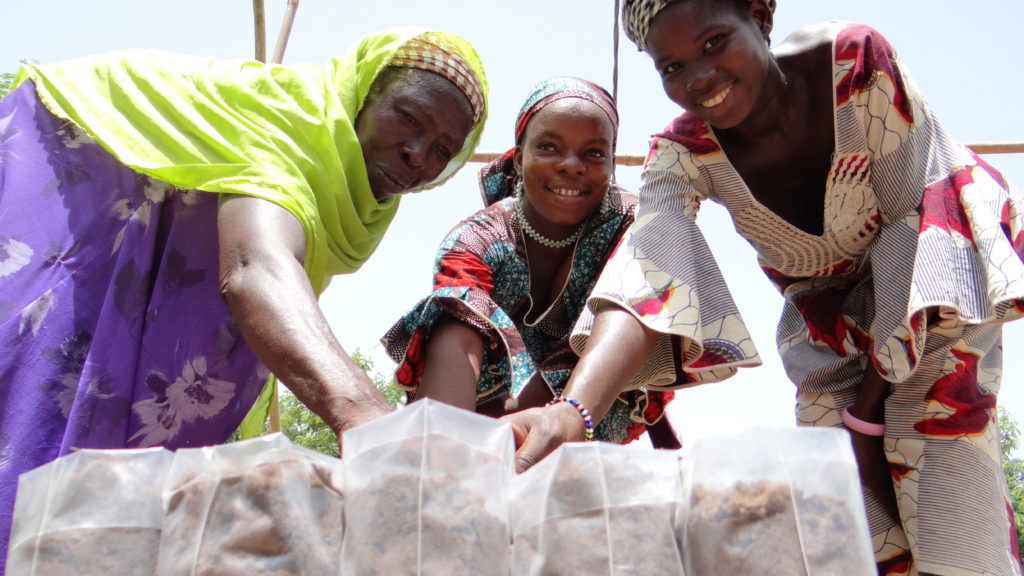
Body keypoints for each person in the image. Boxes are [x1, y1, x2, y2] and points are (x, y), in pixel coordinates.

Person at [505, 1, 1024, 574]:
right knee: (854, 531)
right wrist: (573, 412)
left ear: (760, 17)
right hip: (831, 339)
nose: (699, 79)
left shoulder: (852, 63)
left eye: (714, 42)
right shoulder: (685, 153)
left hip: (932, 299)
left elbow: (912, 218)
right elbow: (649, 269)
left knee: (953, 522)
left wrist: (870, 412)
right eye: (671, 67)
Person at [0, 27, 487, 565]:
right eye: (409, 119)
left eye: (444, 149)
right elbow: (254, 270)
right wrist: (372, 423)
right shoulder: (295, 126)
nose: (419, 155)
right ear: (363, 96)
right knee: (42, 418)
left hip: (153, 229)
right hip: (77, 168)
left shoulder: (351, 191)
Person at [382, 76, 678, 446]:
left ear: (611, 165)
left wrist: (567, 414)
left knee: (654, 268)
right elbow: (457, 340)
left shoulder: (634, 225)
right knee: (454, 309)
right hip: (487, 414)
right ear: (520, 158)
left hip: (590, 411)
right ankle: (449, 448)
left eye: (594, 153)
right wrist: (450, 456)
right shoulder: (476, 240)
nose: (571, 165)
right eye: (549, 147)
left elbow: (640, 314)